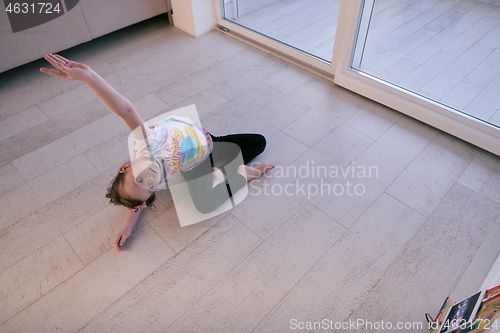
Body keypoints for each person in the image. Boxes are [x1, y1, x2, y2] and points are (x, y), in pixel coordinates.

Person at [40, 54, 275, 252]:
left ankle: (218, 173)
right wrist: (128, 228)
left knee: (258, 143)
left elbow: (125, 109)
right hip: (195, 164)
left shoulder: (146, 144)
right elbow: (137, 202)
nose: (150, 177)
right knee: (204, 205)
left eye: (139, 178)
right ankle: (240, 175)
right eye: (150, 186)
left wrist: (89, 77)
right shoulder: (143, 189)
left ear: (126, 166)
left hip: (207, 141)